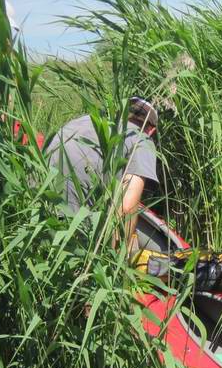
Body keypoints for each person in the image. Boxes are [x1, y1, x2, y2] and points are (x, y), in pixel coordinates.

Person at [46, 97, 159, 252]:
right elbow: (127, 207)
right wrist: (118, 260)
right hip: (76, 221)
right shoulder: (142, 139)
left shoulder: (84, 121)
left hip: (41, 203)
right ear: (151, 130)